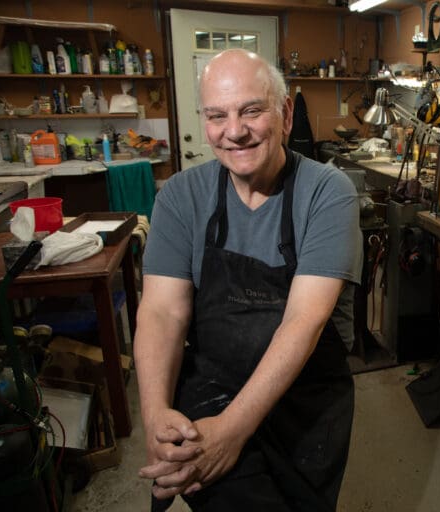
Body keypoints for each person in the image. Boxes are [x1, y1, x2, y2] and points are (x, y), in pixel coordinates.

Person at [134, 49, 362, 511]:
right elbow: (161, 311)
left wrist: (232, 432)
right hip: (210, 387)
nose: (234, 131)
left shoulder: (326, 192)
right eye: (217, 116)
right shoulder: (181, 196)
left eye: (251, 110)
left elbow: (304, 322)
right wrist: (155, 414)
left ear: (285, 113)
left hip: (304, 400)